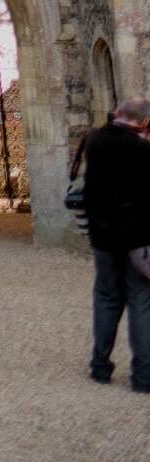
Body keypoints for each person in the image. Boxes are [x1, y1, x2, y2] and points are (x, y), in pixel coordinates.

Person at [81, 96, 150, 392]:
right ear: (144, 122)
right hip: (137, 237)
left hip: (103, 236)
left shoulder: (94, 141)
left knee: (107, 297)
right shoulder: (142, 150)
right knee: (141, 302)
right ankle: (143, 377)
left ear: (117, 114)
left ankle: (100, 366)